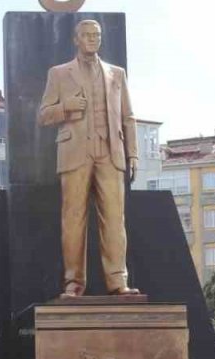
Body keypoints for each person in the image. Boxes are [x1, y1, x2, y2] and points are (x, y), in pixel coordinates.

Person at [37, 18, 140, 298]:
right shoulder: (59, 74)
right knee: (73, 219)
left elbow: (128, 117)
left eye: (96, 35)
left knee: (115, 220)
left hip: (110, 154)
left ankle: (118, 281)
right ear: (76, 39)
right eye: (86, 35)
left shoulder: (116, 74)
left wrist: (132, 153)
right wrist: (66, 107)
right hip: (75, 154)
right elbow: (43, 114)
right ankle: (74, 283)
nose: (93, 39)